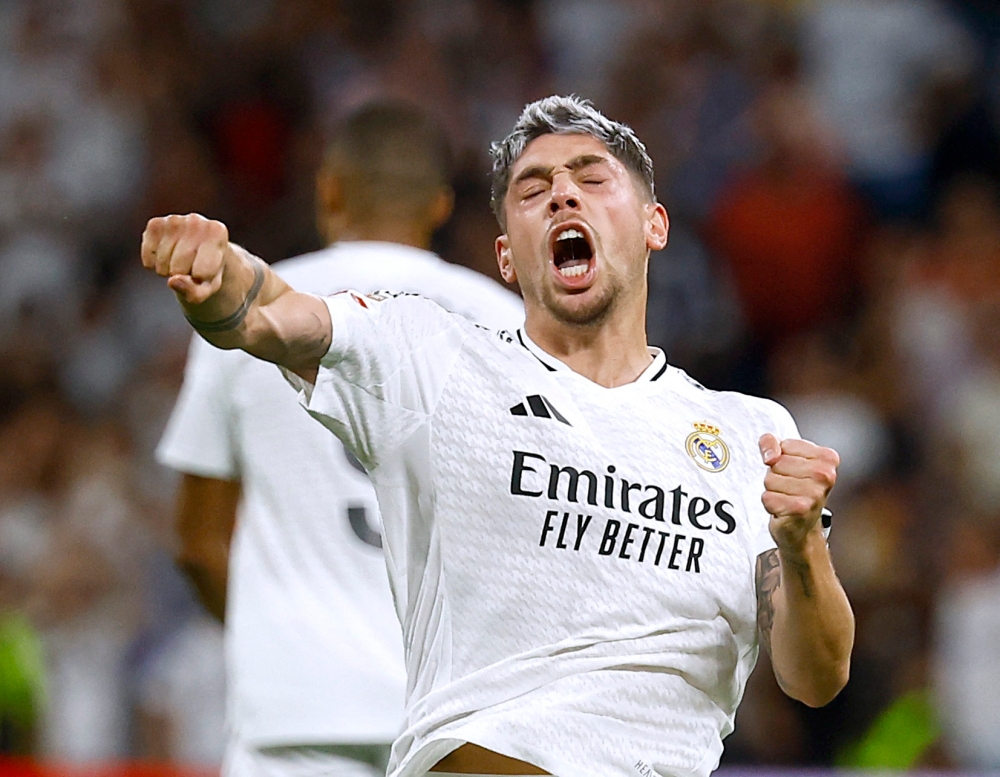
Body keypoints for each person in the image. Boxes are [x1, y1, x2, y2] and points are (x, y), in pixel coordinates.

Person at [141, 95, 854, 777]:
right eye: (533, 189)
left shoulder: (751, 432)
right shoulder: (436, 356)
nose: (563, 196)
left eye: (592, 178)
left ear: (654, 225)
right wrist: (224, 283)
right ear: (508, 257)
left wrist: (803, 548)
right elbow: (274, 317)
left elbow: (817, 675)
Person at [154, 102, 525, 777]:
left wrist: (278, 638)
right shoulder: (507, 325)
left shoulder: (242, 304)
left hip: (299, 714)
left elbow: (198, 543)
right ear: (440, 205)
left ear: (328, 188)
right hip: (461, 724)